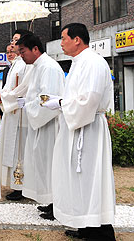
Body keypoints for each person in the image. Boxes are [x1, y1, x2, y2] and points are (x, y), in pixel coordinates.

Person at [43, 23, 116, 240]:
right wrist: (60, 103)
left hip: (89, 129)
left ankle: (99, 230)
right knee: (80, 178)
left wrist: (61, 103)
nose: (61, 42)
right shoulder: (78, 63)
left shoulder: (92, 62)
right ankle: (85, 224)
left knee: (90, 178)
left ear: (77, 40)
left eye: (64, 38)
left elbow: (89, 99)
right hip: (78, 126)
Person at [9, 33, 64, 220]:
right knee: (42, 164)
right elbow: (36, 96)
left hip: (48, 124)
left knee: (50, 165)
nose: (21, 55)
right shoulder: (37, 67)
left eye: (23, 51)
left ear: (35, 49)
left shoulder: (48, 67)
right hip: (40, 123)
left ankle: (57, 205)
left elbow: (48, 98)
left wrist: (29, 105)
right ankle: (50, 202)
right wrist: (24, 102)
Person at [0, 29, 32, 201]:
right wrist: (3, 95)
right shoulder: (15, 64)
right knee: (11, 148)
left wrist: (5, 97)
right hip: (12, 113)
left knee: (20, 150)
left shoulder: (26, 64)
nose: (13, 44)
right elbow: (9, 87)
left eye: (17, 40)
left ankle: (21, 185)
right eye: (12, 40)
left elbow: (23, 89)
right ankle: (14, 182)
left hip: (21, 114)